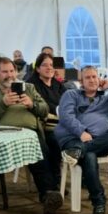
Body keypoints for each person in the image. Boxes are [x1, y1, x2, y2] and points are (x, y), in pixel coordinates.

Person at [0, 57, 62, 214]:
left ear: (16, 72)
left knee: (41, 158)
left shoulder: (29, 88)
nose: (9, 75)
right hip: (1, 135)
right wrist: (3, 103)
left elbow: (44, 110)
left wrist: (32, 104)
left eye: (11, 71)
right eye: (4, 72)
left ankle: (49, 196)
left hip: (30, 134)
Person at [55, 66, 108, 214]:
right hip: (74, 138)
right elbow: (66, 116)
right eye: (88, 77)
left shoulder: (106, 99)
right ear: (81, 81)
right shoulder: (71, 94)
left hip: (99, 141)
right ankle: (99, 204)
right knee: (89, 157)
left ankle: (77, 152)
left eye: (94, 77)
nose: (92, 80)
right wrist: (82, 133)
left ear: (99, 79)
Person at [27, 51, 66, 187]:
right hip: (43, 125)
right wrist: (59, 110)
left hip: (61, 123)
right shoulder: (31, 85)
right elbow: (43, 106)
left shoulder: (58, 84)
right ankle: (55, 180)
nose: (49, 68)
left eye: (51, 65)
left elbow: (68, 101)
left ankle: (84, 177)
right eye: (45, 65)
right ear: (37, 68)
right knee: (54, 141)